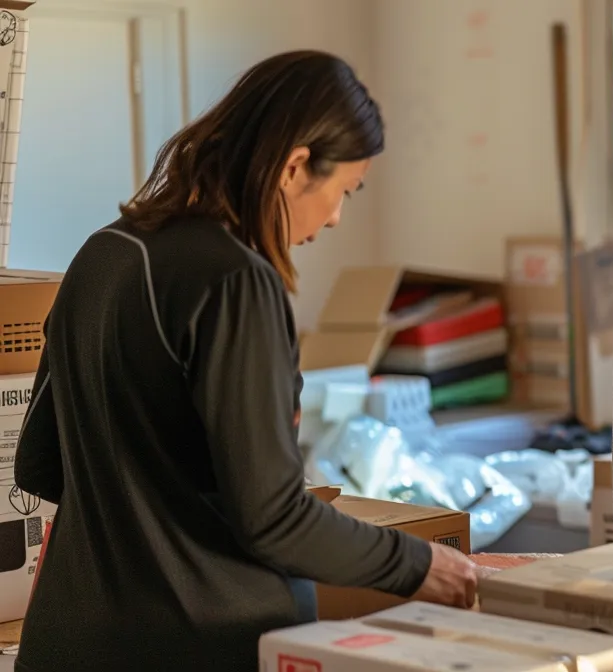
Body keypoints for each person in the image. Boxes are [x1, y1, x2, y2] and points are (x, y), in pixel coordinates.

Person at [12, 51, 478, 671]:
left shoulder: (102, 254)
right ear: (295, 166)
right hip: (200, 645)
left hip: (66, 644)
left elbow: (38, 465)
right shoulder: (236, 281)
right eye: (343, 191)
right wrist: (423, 564)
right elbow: (275, 520)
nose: (336, 217)